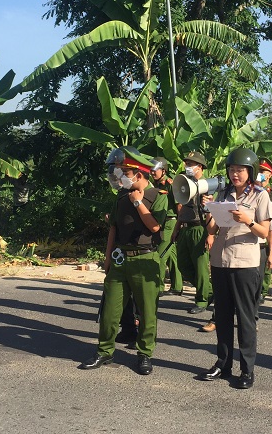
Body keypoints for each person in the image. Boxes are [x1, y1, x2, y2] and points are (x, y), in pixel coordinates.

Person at [80, 147, 167, 375]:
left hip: (145, 259)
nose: (119, 178)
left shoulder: (158, 197)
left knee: (148, 312)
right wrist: (107, 259)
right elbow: (113, 229)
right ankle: (104, 351)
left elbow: (155, 227)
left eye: (124, 172)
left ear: (138, 174)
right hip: (120, 259)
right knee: (110, 311)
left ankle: (145, 354)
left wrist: (139, 203)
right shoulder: (120, 197)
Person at [199, 147, 272, 389]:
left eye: (240, 170)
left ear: (250, 172)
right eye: (231, 170)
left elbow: (264, 231)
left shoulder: (260, 195)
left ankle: (247, 369)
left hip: (245, 262)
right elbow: (211, 230)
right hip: (221, 260)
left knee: (245, 318)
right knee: (222, 315)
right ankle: (223, 363)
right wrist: (209, 210)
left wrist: (248, 220)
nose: (235, 174)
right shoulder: (223, 192)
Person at [173, 151, 214, 314]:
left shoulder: (207, 185)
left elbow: (213, 210)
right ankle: (210, 291)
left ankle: (202, 300)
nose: (187, 167)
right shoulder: (185, 183)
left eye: (191, 164)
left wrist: (210, 234)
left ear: (200, 167)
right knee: (183, 264)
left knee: (200, 267)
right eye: (186, 164)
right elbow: (182, 210)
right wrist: (177, 228)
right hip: (185, 228)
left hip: (200, 229)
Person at [152, 157, 182, 296]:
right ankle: (177, 286)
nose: (152, 172)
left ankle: (158, 287)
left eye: (155, 170)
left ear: (163, 170)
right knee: (172, 256)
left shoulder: (170, 184)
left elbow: (179, 205)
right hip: (162, 221)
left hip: (170, 221)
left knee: (161, 254)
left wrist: (180, 224)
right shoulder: (156, 184)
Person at [256, 158, 272, 304]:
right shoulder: (252, 190)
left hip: (269, 233)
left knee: (266, 266)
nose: (260, 174)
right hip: (256, 233)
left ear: (269, 175)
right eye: (259, 171)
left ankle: (263, 291)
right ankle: (258, 292)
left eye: (263, 172)